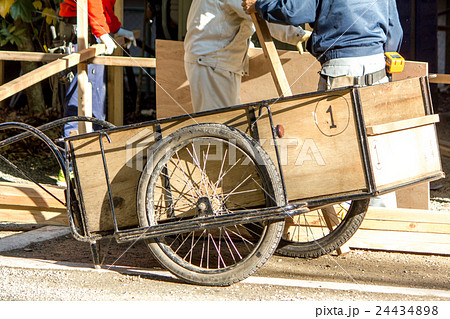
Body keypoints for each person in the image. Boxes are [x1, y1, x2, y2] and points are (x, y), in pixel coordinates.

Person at [241, 0, 403, 207]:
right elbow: (394, 30)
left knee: (335, 149)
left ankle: (344, 221)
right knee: (377, 146)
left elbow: (293, 10)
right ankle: (383, 218)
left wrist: (261, 4)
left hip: (342, 68)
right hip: (378, 67)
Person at [57, 0, 136, 186]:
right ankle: (69, 168)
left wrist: (114, 28)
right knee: (78, 101)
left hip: (91, 27)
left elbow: (104, 5)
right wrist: (102, 32)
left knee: (96, 102)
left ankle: (91, 164)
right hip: (79, 29)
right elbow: (91, 1)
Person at [184, 0, 311, 113]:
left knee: (223, 128)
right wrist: (298, 34)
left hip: (215, 60)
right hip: (212, 61)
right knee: (217, 130)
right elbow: (260, 13)